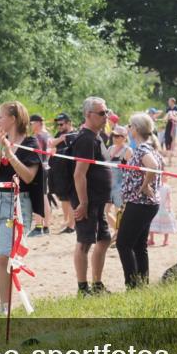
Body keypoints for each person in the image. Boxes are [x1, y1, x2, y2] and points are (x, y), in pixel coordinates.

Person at [0, 101, 41, 314]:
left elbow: (28, 176)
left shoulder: (31, 142)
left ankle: (6, 307)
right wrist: (1, 146)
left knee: (3, 255)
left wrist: (11, 153)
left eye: (1, 116)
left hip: (17, 203)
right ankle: (4, 306)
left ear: (13, 118)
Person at [71, 97, 113, 295]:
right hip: (87, 201)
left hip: (97, 201)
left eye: (106, 112)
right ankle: (82, 288)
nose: (106, 116)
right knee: (85, 242)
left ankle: (97, 285)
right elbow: (79, 174)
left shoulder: (97, 136)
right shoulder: (86, 139)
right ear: (88, 115)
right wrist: (83, 202)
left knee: (104, 239)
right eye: (101, 113)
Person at [116, 113, 164, 288]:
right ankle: (142, 284)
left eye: (129, 126)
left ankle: (133, 285)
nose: (128, 129)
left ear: (135, 129)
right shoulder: (150, 147)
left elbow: (154, 166)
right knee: (138, 245)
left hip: (141, 203)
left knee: (123, 244)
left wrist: (144, 185)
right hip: (147, 204)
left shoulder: (143, 149)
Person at [48, 113, 78, 236]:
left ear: (69, 123)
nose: (59, 126)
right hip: (59, 171)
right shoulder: (60, 135)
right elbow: (51, 144)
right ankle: (67, 222)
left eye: (61, 124)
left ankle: (72, 225)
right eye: (58, 124)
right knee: (63, 198)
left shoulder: (75, 135)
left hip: (70, 172)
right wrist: (60, 139)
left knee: (70, 199)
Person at [106, 124, 133, 235]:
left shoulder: (128, 150)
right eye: (113, 135)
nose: (114, 138)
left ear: (124, 137)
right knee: (105, 212)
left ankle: (119, 235)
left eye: (117, 136)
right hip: (109, 184)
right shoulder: (110, 148)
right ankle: (118, 232)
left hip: (121, 185)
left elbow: (130, 170)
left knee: (119, 212)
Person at [28, 114, 53, 237]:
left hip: (40, 167)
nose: (30, 126)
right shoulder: (48, 135)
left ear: (37, 123)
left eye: (31, 123)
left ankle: (39, 227)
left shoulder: (38, 136)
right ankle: (45, 226)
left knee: (40, 197)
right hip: (46, 166)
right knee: (44, 197)